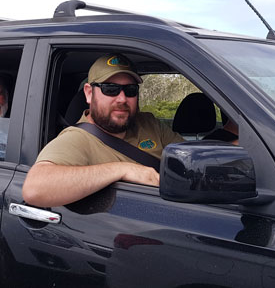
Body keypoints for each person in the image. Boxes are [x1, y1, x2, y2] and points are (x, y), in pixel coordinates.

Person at [22, 53, 184, 207]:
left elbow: (188, 162)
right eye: (110, 89)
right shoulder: (77, 139)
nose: (122, 99)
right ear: (89, 93)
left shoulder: (149, 123)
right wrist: (124, 169)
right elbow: (35, 188)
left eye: (130, 90)